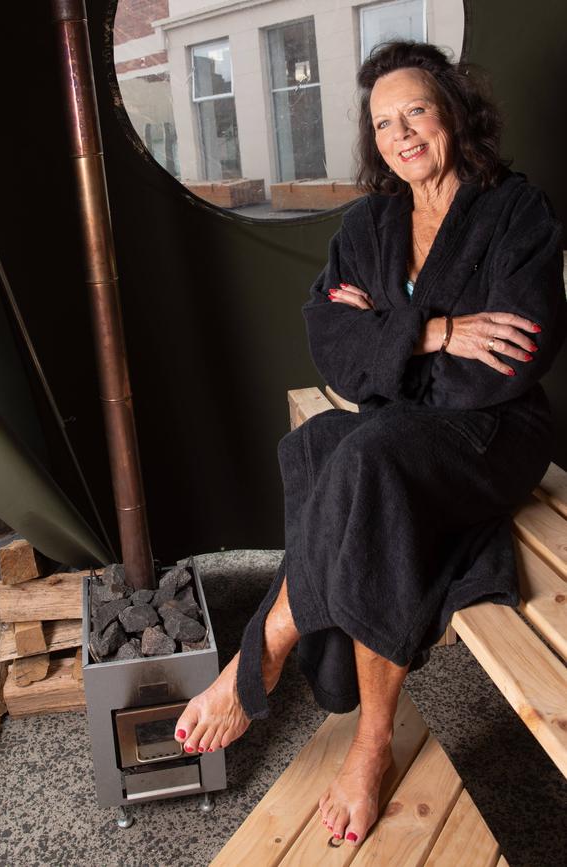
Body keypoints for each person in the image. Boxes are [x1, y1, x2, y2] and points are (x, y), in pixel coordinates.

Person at [173, 40, 567, 848]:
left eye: (416, 110)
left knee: (371, 449)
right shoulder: (372, 223)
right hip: (409, 429)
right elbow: (329, 342)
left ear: (452, 111)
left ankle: (283, 661)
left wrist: (385, 339)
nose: (402, 133)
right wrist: (435, 330)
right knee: (322, 444)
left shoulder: (517, 213)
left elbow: (510, 359)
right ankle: (355, 715)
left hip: (496, 432)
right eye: (384, 123)